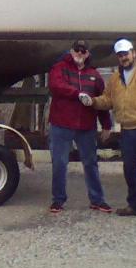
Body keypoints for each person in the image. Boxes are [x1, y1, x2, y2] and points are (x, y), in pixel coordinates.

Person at [80, 38, 136, 222]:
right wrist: (93, 102)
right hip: (127, 131)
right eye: (120, 55)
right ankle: (135, 206)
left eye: (126, 54)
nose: (123, 58)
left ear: (134, 53)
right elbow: (108, 100)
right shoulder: (115, 79)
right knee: (130, 171)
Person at [47, 39, 113, 215]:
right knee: (60, 163)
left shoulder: (95, 75)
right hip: (61, 125)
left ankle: (97, 200)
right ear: (71, 51)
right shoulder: (59, 68)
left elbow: (101, 101)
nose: (79, 54)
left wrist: (106, 124)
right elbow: (55, 86)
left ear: (88, 55)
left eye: (83, 51)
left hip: (86, 127)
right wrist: (78, 94)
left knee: (91, 163)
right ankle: (58, 200)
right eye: (77, 50)